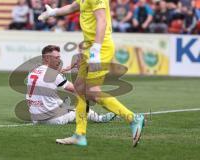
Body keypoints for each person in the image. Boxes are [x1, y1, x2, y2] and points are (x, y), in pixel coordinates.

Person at [38, 0, 145, 147]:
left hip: (99, 48)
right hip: (89, 47)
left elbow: (102, 20)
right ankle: (79, 135)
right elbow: (72, 7)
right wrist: (53, 12)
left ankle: (133, 118)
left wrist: (96, 50)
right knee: (79, 88)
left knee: (93, 91)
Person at [26, 45, 116, 125]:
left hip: (35, 118)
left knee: (56, 98)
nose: (59, 60)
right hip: (53, 120)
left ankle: (64, 107)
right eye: (56, 58)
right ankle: (100, 119)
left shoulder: (34, 71)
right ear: (47, 58)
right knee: (80, 106)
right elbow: (75, 89)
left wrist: (68, 68)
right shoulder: (54, 74)